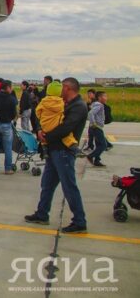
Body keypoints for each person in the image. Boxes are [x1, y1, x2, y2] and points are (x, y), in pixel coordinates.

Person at [25, 77, 88, 234]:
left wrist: (46, 136)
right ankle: (42, 213)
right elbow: (44, 115)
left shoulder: (78, 106)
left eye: (61, 88)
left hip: (64, 151)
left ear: (67, 88)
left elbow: (66, 128)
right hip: (54, 149)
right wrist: (39, 129)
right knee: (47, 184)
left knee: (69, 186)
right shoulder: (62, 103)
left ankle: (79, 221)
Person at [35, 81, 77, 160]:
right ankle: (74, 146)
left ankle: (45, 151)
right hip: (56, 124)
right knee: (67, 137)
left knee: (44, 139)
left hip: (45, 125)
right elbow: (63, 111)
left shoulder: (43, 101)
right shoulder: (61, 102)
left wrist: (42, 117)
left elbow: (37, 112)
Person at [0, 80, 18, 174]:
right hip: (6, 124)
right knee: (8, 147)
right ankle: (8, 168)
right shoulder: (12, 99)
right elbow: (14, 114)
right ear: (8, 87)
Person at [86, 91, 108, 167]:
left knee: (98, 144)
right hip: (97, 128)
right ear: (99, 98)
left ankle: (97, 161)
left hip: (96, 128)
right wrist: (94, 123)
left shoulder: (96, 104)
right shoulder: (99, 105)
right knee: (103, 145)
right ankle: (90, 156)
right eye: (104, 96)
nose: (106, 98)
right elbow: (90, 113)